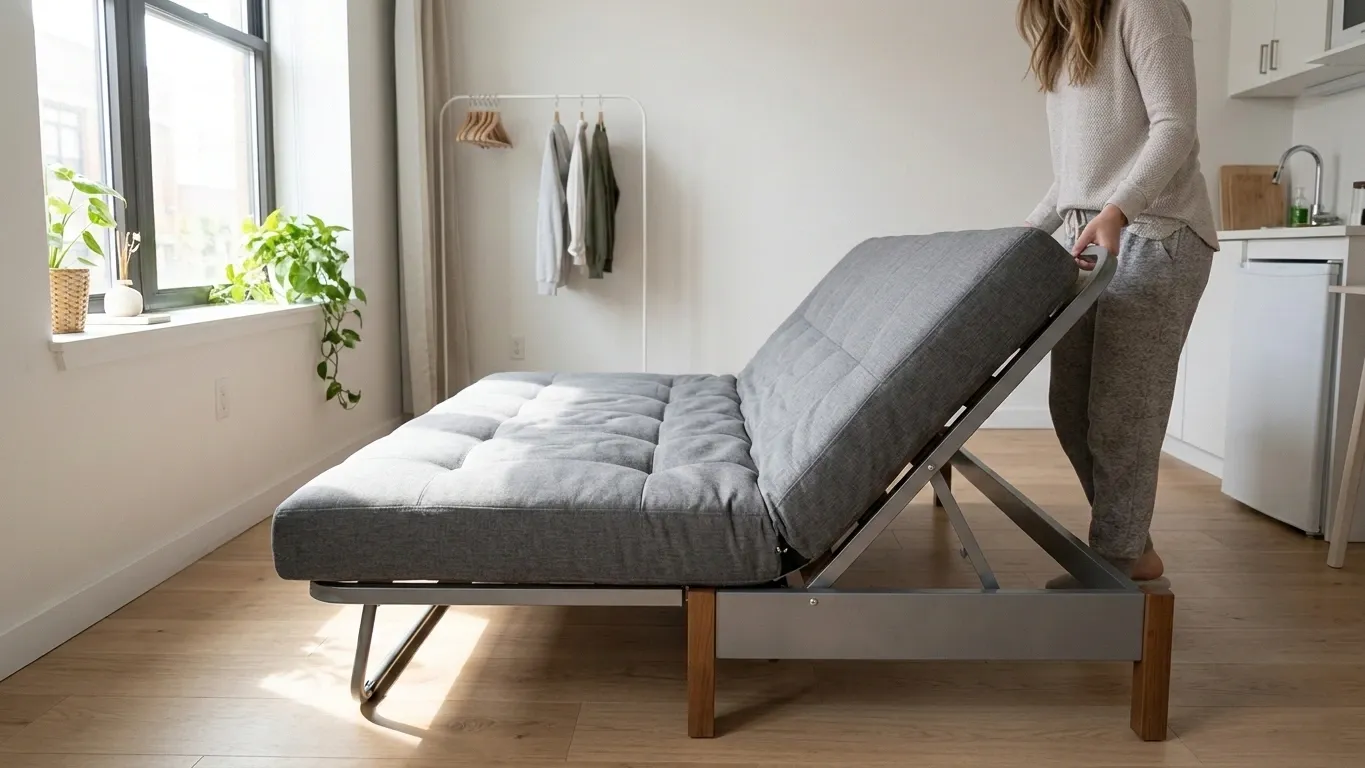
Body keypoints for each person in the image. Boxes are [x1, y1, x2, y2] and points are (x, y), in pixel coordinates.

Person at [1019, 0, 1218, 587]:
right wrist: (1023, 238)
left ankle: (1117, 556)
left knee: (1121, 414)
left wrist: (1119, 209)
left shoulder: (1145, 7)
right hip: (1091, 233)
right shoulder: (1065, 30)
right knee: (1070, 404)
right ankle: (1132, 545)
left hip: (1155, 231)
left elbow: (1175, 127)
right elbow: (1074, 173)